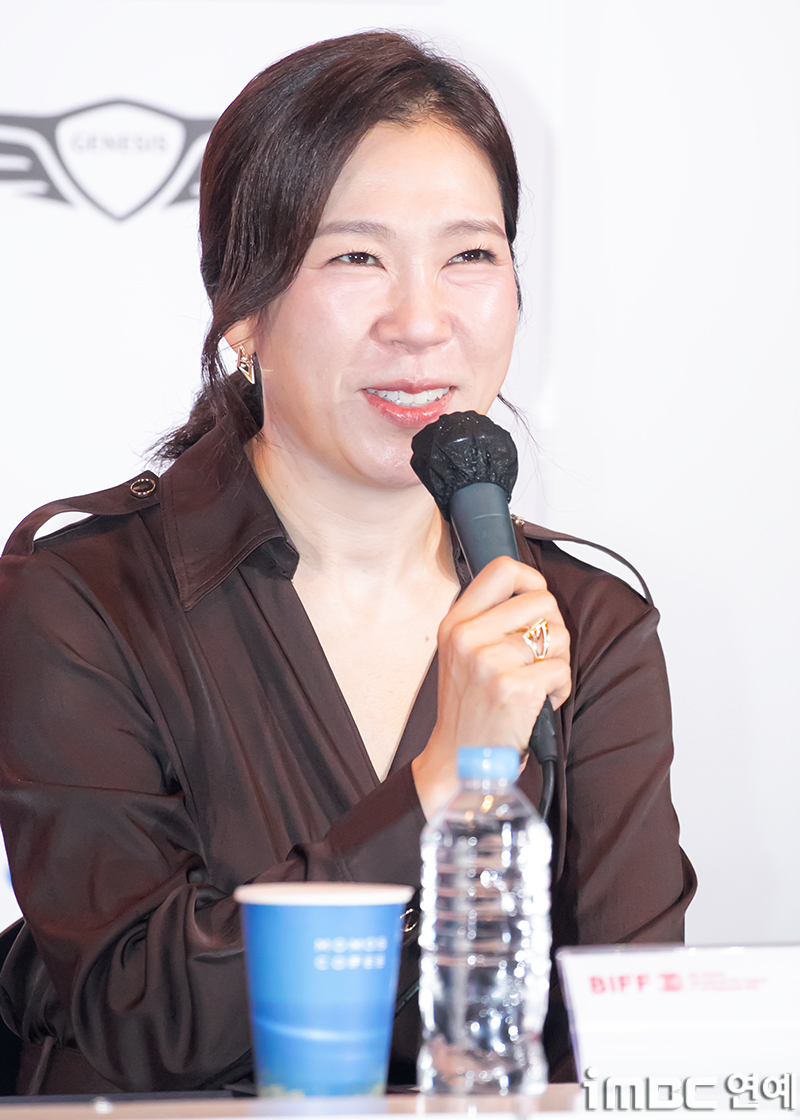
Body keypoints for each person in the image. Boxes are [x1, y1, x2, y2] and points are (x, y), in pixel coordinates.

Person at [0, 30, 695, 1095]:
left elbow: (627, 1049)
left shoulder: (585, 624)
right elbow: (139, 1019)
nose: (421, 322)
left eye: (470, 256)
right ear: (242, 310)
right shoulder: (82, 601)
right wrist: (444, 778)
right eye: (355, 258)